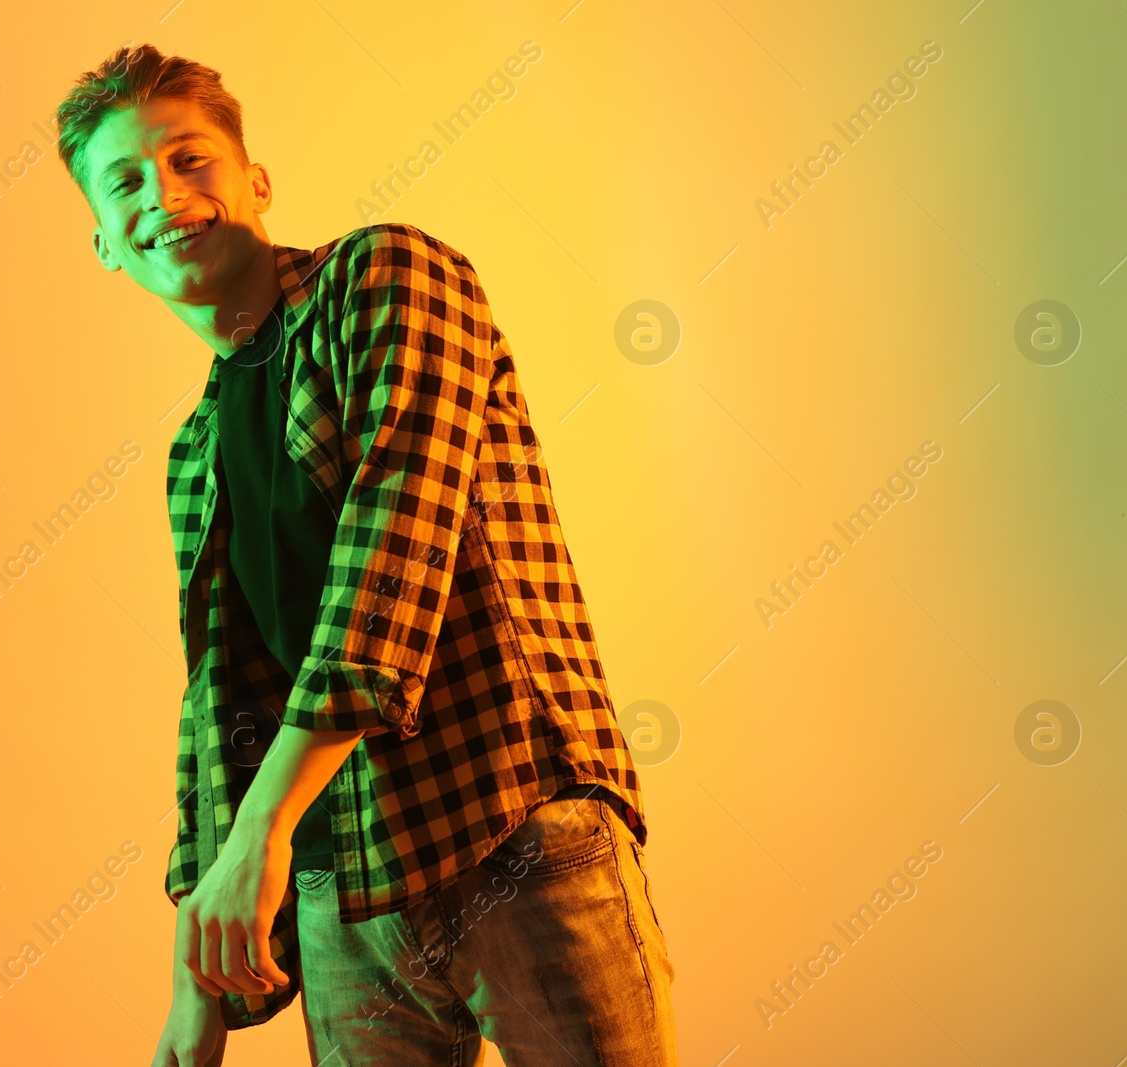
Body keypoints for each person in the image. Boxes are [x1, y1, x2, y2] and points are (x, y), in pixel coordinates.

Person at [52, 43, 677, 1067]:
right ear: (106, 245)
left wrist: (257, 836)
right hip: (346, 884)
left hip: (510, 820)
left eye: (189, 157)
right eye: (125, 180)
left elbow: (394, 546)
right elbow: (221, 708)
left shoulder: (383, 275)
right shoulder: (197, 453)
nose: (164, 193)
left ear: (254, 181)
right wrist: (194, 970)